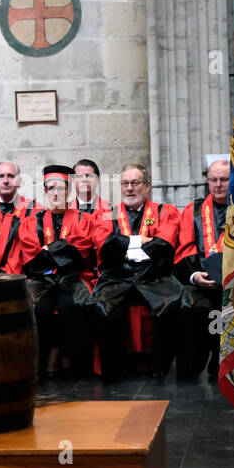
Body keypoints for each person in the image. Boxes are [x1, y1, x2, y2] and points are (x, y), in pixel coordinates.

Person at [87, 163, 183, 380]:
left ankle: (159, 367)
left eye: (135, 183)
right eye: (125, 184)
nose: (129, 188)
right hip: (117, 276)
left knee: (173, 305)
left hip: (152, 276)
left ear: (147, 186)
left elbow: (163, 245)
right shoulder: (106, 213)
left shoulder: (165, 211)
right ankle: (112, 369)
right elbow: (104, 244)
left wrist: (123, 244)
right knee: (101, 308)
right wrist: (141, 241)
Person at [18, 165, 95, 377]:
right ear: (44, 192)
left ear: (70, 192)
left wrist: (48, 250)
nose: (56, 193)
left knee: (74, 306)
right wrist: (63, 247)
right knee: (40, 310)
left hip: (73, 278)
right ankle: (44, 360)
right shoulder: (31, 222)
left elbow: (81, 253)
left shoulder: (84, 219)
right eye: (50, 188)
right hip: (42, 280)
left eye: (61, 188)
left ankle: (63, 355)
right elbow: (32, 257)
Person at [174, 160, 230, 379]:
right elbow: (185, 248)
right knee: (189, 307)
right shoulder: (193, 210)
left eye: (224, 179)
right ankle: (192, 366)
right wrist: (196, 275)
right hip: (202, 281)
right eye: (213, 180)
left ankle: (224, 363)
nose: (218, 185)